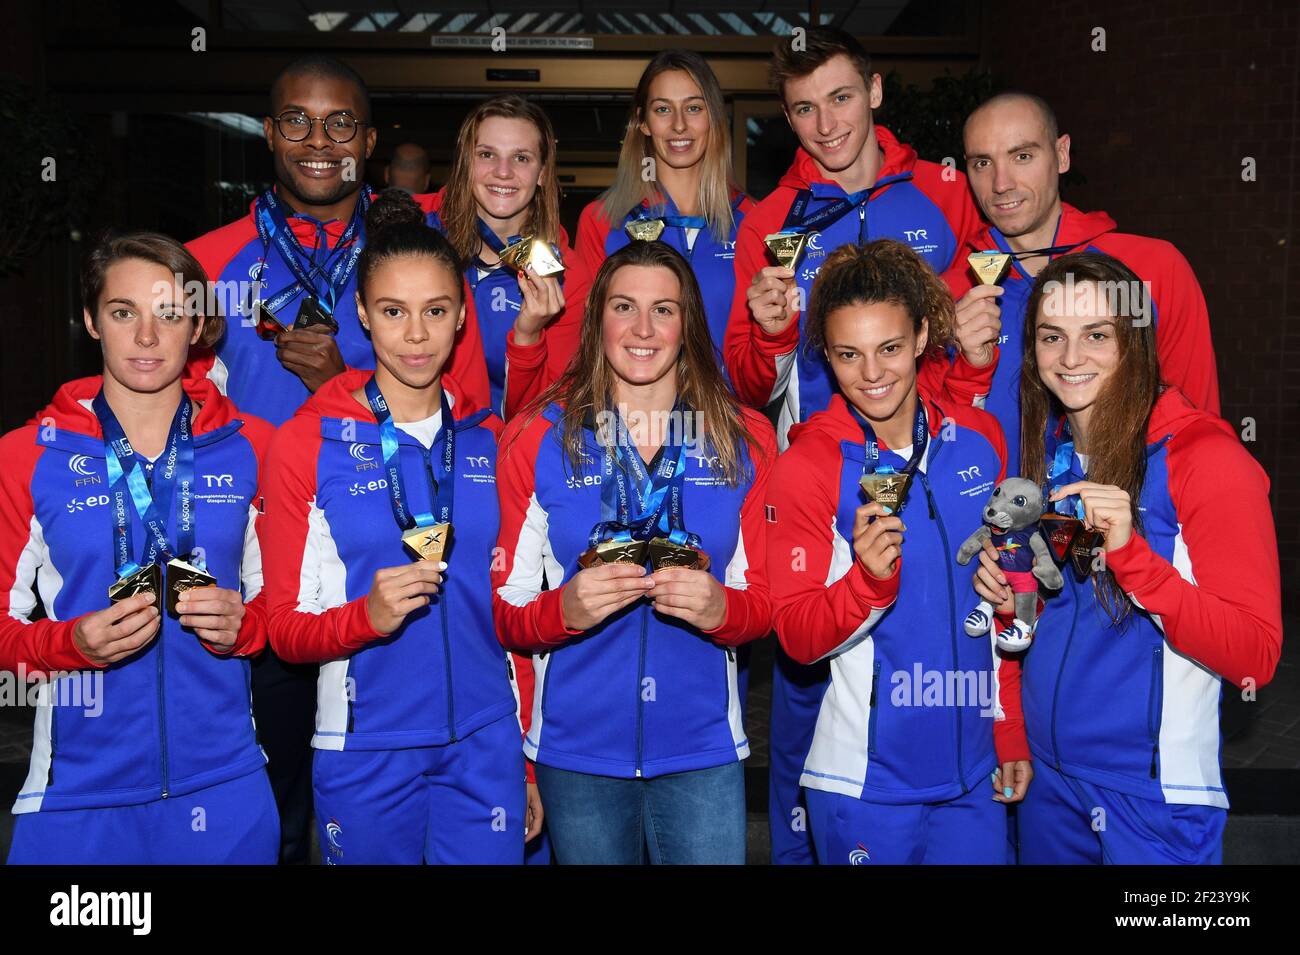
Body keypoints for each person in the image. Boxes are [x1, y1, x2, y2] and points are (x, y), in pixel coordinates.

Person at [186, 54, 489, 863]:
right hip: (248, 576)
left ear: (371, 137)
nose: (319, 141)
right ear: (268, 132)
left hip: (391, 564)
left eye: (341, 123)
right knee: (264, 811)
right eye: (297, 120)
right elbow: (162, 415)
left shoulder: (417, 263)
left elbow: (475, 417)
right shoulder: (207, 266)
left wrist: (343, 382)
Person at [971, 252, 1281, 864]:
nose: (1070, 357)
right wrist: (1010, 615)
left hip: (1154, 797)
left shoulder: (1206, 458)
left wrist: (1133, 560)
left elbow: (1255, 654)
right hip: (1047, 787)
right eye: (1051, 337)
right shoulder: (1049, 462)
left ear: (1134, 342)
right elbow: (1030, 626)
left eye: (1096, 335)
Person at [260, 190, 540, 864]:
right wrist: (366, 617)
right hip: (364, 747)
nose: (416, 335)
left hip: (485, 742)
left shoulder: (488, 438)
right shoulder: (304, 443)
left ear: (462, 318)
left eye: (435, 311)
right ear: (362, 313)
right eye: (393, 311)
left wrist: (525, 759)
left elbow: (511, 604)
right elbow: (283, 628)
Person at [493, 241, 776, 864]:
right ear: (598, 320)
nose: (643, 329)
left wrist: (720, 610)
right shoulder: (539, 435)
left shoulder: (745, 437)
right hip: (575, 751)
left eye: (664, 310)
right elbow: (506, 612)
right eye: (624, 307)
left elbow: (767, 607)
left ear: (689, 323)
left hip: (702, 749)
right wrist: (562, 608)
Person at [0, 232, 277, 864]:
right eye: (124, 313)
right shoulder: (24, 456)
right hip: (76, 797)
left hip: (226, 786)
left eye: (170, 313)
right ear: (92, 322)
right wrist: (66, 645)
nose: (147, 337)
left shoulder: (255, 447)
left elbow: (284, 609)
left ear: (199, 326)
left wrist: (247, 627)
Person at [766, 239, 1028, 865]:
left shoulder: (981, 441)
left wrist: (1009, 726)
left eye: (889, 348)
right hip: (864, 785)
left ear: (921, 338)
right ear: (826, 357)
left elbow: (1006, 597)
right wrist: (866, 585)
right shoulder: (807, 468)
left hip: (973, 778)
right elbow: (796, 638)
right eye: (848, 355)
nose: (873, 373)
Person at [725, 27, 983, 449]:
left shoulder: (951, 192)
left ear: (874, 90)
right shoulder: (768, 222)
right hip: (822, 461)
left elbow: (991, 324)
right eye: (806, 108)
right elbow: (749, 391)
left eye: (841, 98)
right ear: (788, 118)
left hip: (941, 451)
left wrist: (940, 296)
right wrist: (772, 336)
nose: (826, 125)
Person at [945, 91, 1220, 470]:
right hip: (992, 522)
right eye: (982, 163)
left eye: (1022, 156)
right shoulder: (952, 292)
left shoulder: (1151, 269)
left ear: (1061, 155)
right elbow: (932, 442)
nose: (1001, 183)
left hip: (1122, 519)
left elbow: (1196, 423)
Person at [503, 50, 754, 420]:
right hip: (626, 432)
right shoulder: (604, 220)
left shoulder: (756, 221)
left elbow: (763, 360)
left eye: (695, 108)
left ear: (716, 118)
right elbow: (585, 344)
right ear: (643, 122)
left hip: (728, 428)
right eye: (663, 109)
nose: (680, 126)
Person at [429, 95, 571, 418]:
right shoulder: (422, 237)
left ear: (542, 173)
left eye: (521, 158)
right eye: (487, 154)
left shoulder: (571, 279)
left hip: (501, 460)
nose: (503, 172)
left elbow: (541, 421)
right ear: (467, 163)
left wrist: (528, 336)